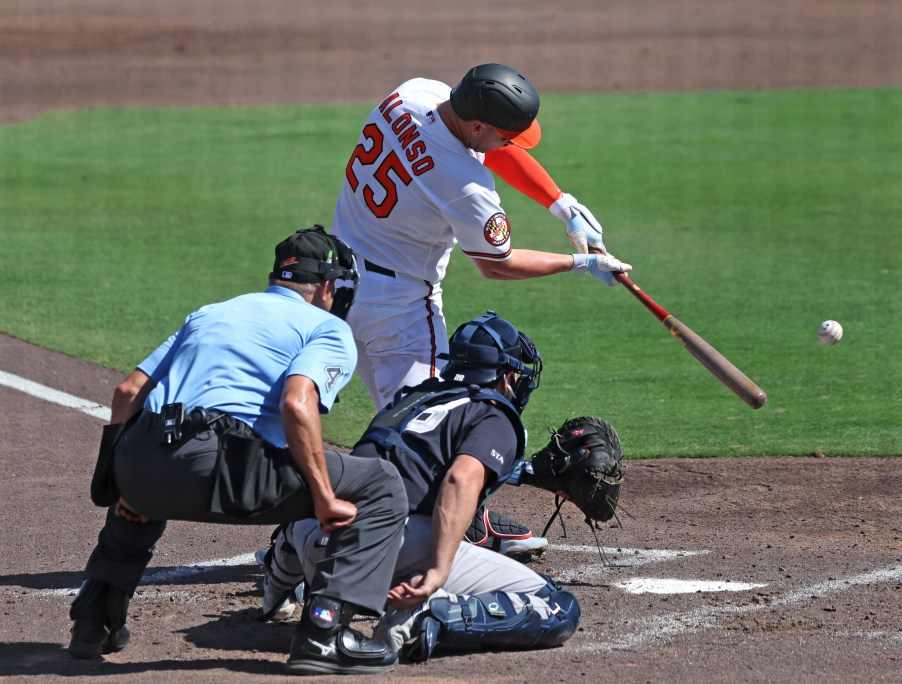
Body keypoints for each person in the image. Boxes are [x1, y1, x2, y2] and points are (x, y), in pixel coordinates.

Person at [68, 226, 408, 675]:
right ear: (327, 286)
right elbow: (296, 403)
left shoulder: (211, 312)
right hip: (223, 471)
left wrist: (119, 484)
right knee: (381, 484)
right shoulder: (326, 328)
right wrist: (324, 496)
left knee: (154, 461)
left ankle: (94, 621)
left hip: (142, 462)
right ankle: (324, 634)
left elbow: (127, 392)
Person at [330, 62, 632, 555]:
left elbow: (487, 149)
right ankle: (356, 540)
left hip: (337, 286)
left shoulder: (416, 93)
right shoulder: (467, 188)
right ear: (477, 125)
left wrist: (560, 204)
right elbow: (499, 264)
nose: (509, 144)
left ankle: (467, 514)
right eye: (504, 134)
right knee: (433, 430)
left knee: (400, 421)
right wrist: (578, 262)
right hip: (400, 311)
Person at [261, 312, 580, 663]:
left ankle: (277, 587)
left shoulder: (413, 398)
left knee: (353, 497)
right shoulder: (493, 414)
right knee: (556, 604)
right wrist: (438, 571)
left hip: (313, 538)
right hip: (384, 551)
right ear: (505, 377)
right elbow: (460, 480)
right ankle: (429, 616)